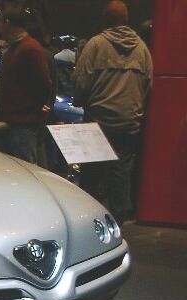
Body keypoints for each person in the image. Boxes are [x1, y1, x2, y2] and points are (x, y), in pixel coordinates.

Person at [73, 0, 152, 223]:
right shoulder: (142, 49)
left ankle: (88, 219)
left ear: (105, 20)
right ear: (127, 20)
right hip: (128, 122)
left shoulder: (95, 45)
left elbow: (81, 82)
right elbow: (148, 85)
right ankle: (120, 218)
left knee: (91, 173)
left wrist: (81, 102)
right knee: (121, 172)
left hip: (98, 122)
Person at [0, 1, 52, 163]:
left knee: (24, 171)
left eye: (0, 23)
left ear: (7, 23)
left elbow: (44, 85)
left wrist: (31, 111)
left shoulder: (30, 48)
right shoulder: (15, 48)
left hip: (21, 126)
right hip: (9, 123)